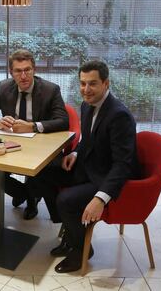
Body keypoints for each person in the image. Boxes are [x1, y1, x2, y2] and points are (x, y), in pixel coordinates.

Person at [30, 60, 140, 273]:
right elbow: (89, 139)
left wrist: (101, 198)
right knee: (41, 173)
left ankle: (81, 250)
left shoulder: (119, 115)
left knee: (66, 200)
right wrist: (75, 152)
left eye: (92, 84)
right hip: (90, 166)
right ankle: (70, 231)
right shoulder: (87, 105)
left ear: (106, 84)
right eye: (82, 83)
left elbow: (122, 165)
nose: (86, 90)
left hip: (107, 177)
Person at [0, 49, 69, 221]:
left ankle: (32, 200)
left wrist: (33, 126)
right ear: (12, 73)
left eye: (27, 70)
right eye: (18, 71)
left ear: (34, 70)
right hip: (12, 146)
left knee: (39, 176)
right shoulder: (4, 87)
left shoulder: (51, 90)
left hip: (41, 148)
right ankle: (28, 196)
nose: (24, 76)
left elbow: (63, 121)